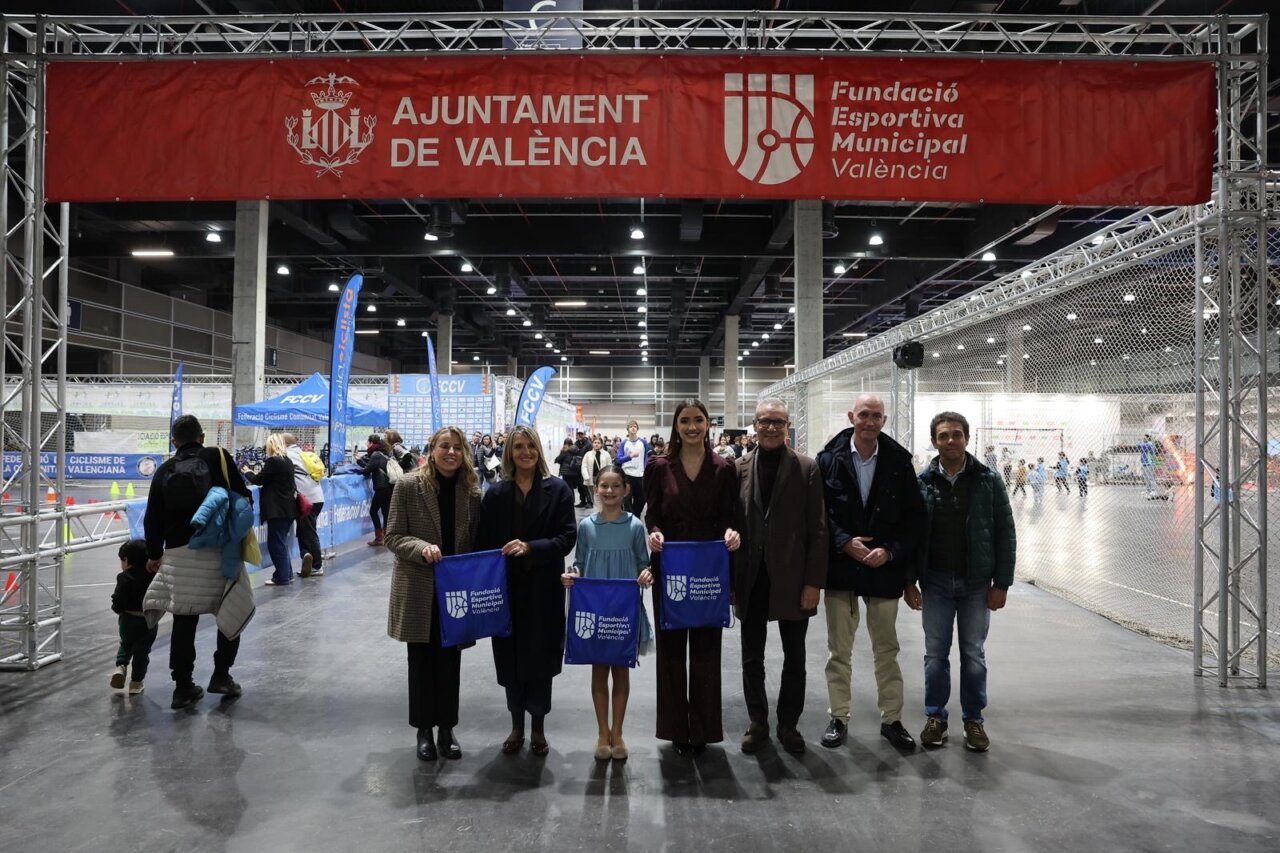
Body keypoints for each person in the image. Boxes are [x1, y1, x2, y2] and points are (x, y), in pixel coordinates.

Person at [815, 393, 927, 753]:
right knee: (839, 650)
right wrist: (844, 542)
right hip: (842, 566)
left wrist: (890, 551)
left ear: (884, 420)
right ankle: (839, 717)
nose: (870, 421)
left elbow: (914, 518)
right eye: (864, 414)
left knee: (887, 649)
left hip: (883, 569)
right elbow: (818, 514)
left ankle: (892, 720)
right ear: (852, 416)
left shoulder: (898, 461)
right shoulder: (828, 459)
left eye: (877, 416)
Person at [906, 411, 1016, 753]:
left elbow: (1005, 534)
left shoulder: (988, 480)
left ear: (966, 439)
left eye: (956, 434)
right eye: (943, 436)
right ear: (935, 441)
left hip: (976, 584)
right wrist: (910, 582)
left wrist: (1002, 584)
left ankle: (973, 720)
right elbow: (912, 537)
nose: (950, 441)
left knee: (973, 654)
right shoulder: (922, 482)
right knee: (935, 655)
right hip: (935, 583)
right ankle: (936, 717)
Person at [644, 399, 742, 755]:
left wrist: (732, 534)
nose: (692, 427)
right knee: (670, 651)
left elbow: (732, 516)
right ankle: (674, 728)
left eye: (698, 420)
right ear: (675, 425)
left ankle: (702, 729)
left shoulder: (724, 468)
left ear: (707, 424)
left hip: (708, 570)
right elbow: (652, 513)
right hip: (670, 567)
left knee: (705, 651)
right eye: (685, 421)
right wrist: (653, 532)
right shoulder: (658, 467)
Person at [142, 414, 253, 709]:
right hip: (220, 551)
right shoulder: (218, 459)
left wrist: (154, 554)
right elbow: (244, 497)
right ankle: (221, 675)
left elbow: (152, 516)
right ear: (202, 437)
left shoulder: (165, 470)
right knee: (230, 609)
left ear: (174, 441)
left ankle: (182, 687)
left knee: (183, 619)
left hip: (178, 553)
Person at [385, 426, 482, 762]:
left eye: (457, 447)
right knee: (422, 662)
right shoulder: (409, 485)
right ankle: (423, 731)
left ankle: (447, 728)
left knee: (450, 662)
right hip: (419, 588)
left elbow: (477, 540)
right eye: (445, 446)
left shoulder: (471, 490)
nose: (451, 452)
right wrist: (423, 547)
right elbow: (393, 536)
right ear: (432, 449)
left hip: (455, 591)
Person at [735, 399, 826, 754]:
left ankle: (789, 724)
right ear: (754, 426)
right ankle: (758, 722)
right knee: (750, 656)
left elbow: (818, 530)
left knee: (795, 657)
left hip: (792, 578)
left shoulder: (807, 468)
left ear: (788, 427)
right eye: (764, 422)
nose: (771, 428)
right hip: (751, 576)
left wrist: (813, 582)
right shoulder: (739, 467)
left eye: (778, 422)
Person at [479, 425, 577, 757]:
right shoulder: (495, 493)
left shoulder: (559, 490)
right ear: (510, 452)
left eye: (530, 446)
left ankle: (538, 729)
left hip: (543, 590)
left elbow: (567, 538)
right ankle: (515, 726)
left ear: (539, 451)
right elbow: (484, 542)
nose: (525, 452)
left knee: (541, 660)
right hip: (505, 590)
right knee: (509, 660)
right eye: (518, 446)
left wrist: (530, 547)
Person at [561, 464, 654, 761]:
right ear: (595, 489)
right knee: (599, 671)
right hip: (596, 609)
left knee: (621, 670)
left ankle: (618, 732)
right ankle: (603, 731)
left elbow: (643, 562)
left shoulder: (636, 527)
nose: (610, 491)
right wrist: (572, 574)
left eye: (616, 486)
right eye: (604, 486)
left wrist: (646, 573)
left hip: (624, 610)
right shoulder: (587, 527)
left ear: (626, 490)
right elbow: (581, 563)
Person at [247, 433, 299, 586]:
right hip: (288, 508)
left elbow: (258, 480)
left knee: (276, 544)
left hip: (277, 509)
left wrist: (247, 472)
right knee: (282, 543)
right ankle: (286, 574)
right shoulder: (287, 461)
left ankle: (282, 576)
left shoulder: (273, 461)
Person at [110, 539, 158, 695]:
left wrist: (118, 609)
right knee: (142, 652)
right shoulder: (153, 576)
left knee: (126, 644)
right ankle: (136, 683)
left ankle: (121, 666)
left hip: (127, 619)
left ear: (127, 560)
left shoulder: (123, 577)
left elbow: (118, 599)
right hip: (147, 620)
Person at [283, 432, 325, 577]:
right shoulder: (302, 453)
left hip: (306, 500)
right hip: (317, 497)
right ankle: (306, 555)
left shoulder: (287, 455)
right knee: (305, 531)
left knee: (309, 532)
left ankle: (316, 565)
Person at [358, 434, 393, 546]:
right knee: (385, 511)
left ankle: (379, 538)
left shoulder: (375, 454)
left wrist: (358, 461)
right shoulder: (384, 453)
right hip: (388, 486)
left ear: (371, 443)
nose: (367, 444)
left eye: (368, 442)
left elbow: (367, 470)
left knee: (373, 511)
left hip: (381, 487)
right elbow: (373, 467)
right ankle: (387, 537)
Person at [616, 420, 651, 518]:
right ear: (627, 429)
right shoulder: (624, 443)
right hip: (627, 474)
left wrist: (645, 468)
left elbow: (647, 457)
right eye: (631, 426)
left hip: (640, 475)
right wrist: (630, 456)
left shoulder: (643, 442)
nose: (633, 428)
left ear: (637, 428)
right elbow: (619, 460)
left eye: (635, 426)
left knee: (641, 499)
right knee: (626, 498)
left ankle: (636, 516)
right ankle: (629, 517)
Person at [579, 437, 611, 511]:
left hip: (603, 479)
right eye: (595, 443)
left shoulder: (606, 454)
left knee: (601, 496)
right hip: (591, 478)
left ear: (601, 444)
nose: (596, 444)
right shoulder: (588, 454)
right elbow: (584, 466)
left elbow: (610, 466)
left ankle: (601, 511)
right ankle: (597, 511)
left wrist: (608, 477)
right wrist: (586, 477)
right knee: (593, 496)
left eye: (598, 443)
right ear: (592, 444)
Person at [554, 438, 586, 508]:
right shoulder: (576, 450)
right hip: (574, 472)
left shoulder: (565, 451)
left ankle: (570, 501)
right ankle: (572, 501)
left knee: (568, 488)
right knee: (571, 488)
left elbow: (558, 460)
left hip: (566, 472)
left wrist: (562, 452)